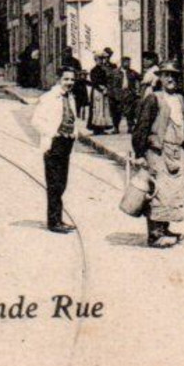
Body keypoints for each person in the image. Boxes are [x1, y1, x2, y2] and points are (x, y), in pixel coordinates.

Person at [130, 63, 184, 248]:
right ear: (160, 78)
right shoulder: (154, 99)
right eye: (166, 75)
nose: (170, 79)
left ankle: (164, 229)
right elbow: (141, 127)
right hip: (157, 151)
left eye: (173, 75)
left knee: (170, 193)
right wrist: (140, 153)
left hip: (173, 152)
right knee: (157, 193)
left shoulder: (180, 99)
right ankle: (154, 235)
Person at [31, 66, 82, 234]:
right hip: (54, 143)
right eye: (66, 79)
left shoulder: (70, 97)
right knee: (54, 184)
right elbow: (36, 121)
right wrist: (53, 133)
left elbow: (72, 118)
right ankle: (54, 222)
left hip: (66, 143)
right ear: (59, 79)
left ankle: (58, 218)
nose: (69, 83)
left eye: (72, 80)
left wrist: (74, 133)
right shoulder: (49, 98)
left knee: (62, 183)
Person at [87, 50, 116, 134]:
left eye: (101, 59)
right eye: (98, 59)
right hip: (97, 91)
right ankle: (96, 128)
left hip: (104, 91)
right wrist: (101, 88)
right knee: (97, 109)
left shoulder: (104, 70)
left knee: (104, 109)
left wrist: (106, 88)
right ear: (95, 60)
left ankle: (102, 128)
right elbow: (94, 81)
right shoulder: (93, 70)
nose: (100, 61)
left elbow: (108, 79)